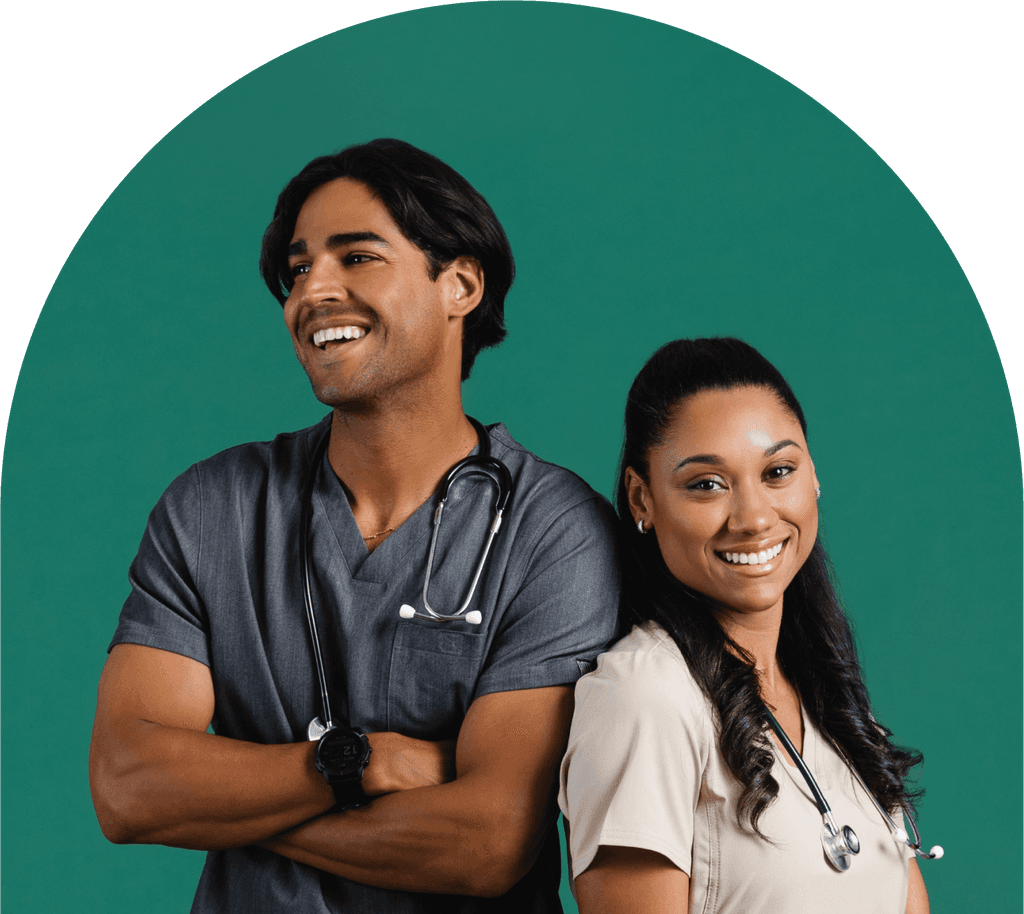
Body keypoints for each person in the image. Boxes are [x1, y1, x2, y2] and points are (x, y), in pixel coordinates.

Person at [89, 138, 620, 913]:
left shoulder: (553, 531)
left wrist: (230, 808)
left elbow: (487, 842)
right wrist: (356, 764)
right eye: (299, 269)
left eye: (357, 257)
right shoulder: (212, 509)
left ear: (460, 285)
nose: (313, 292)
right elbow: (128, 787)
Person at [558, 337, 933, 913]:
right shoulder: (643, 696)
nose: (754, 518)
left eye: (778, 471)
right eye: (706, 484)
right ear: (642, 499)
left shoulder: (831, 704)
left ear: (813, 477)